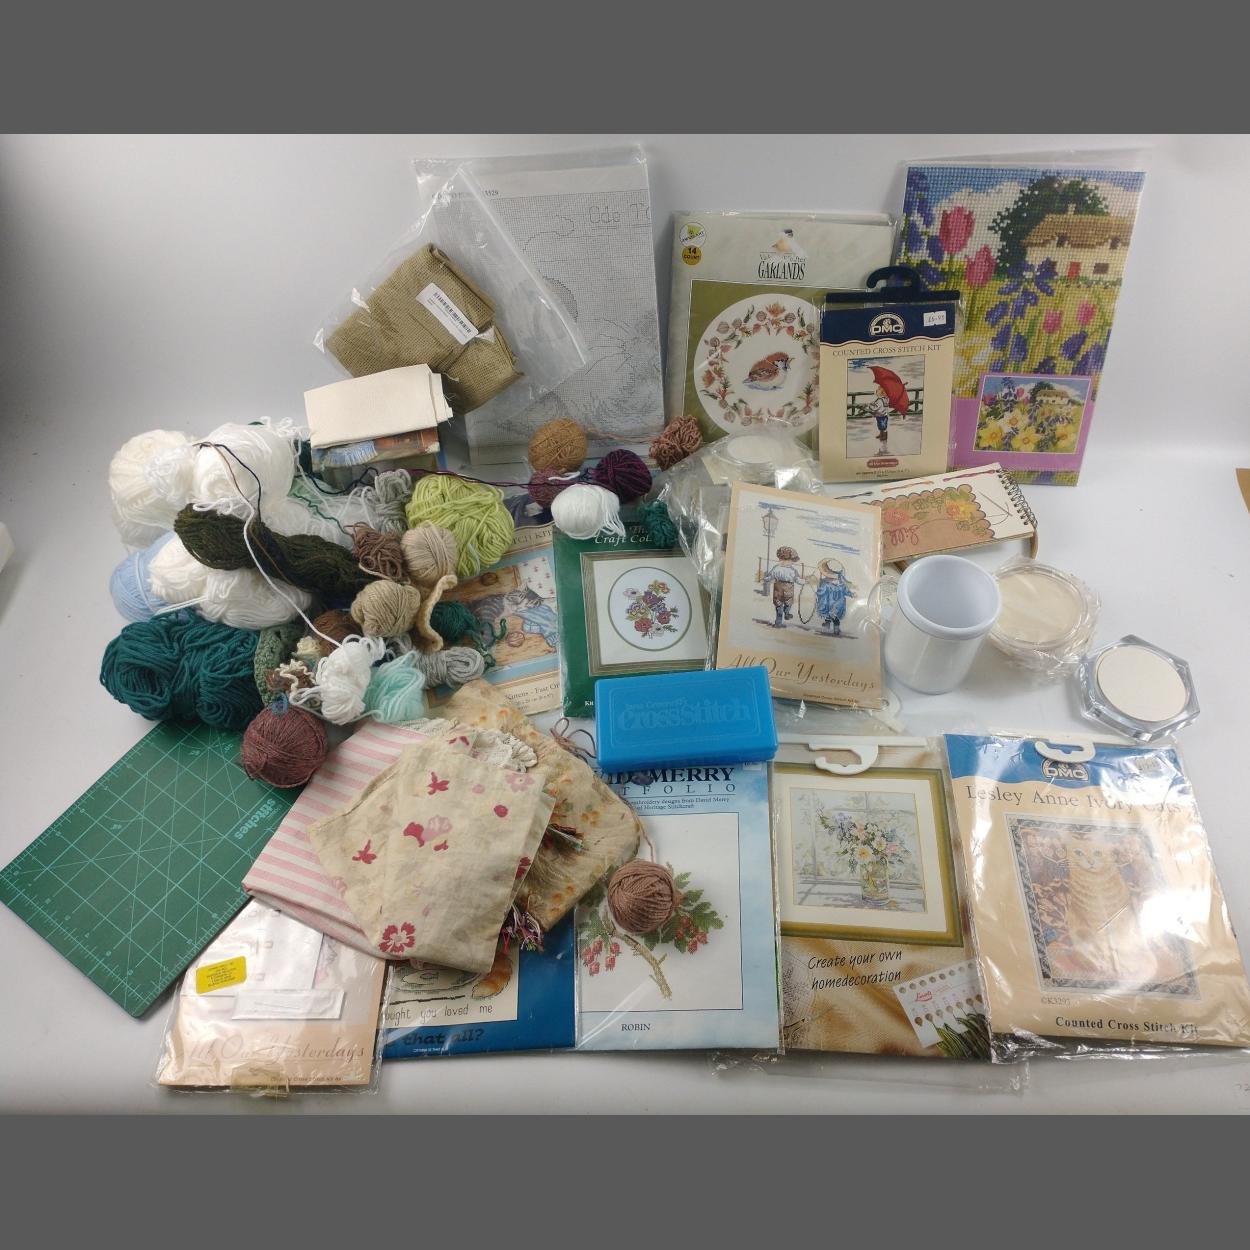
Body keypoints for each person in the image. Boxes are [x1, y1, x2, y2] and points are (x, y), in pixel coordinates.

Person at [762, 546, 802, 628]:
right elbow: (798, 580)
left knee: (779, 605)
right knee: (787, 604)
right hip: (788, 589)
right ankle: (786, 614)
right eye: (790, 561)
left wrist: (765, 579)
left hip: (778, 589)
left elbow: (770, 577)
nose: (790, 563)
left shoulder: (776, 568)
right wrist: (804, 582)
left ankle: (778, 622)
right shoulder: (793, 570)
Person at [815, 558, 853, 635]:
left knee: (829, 614)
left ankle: (830, 627)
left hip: (828, 602)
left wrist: (818, 591)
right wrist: (851, 594)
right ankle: (833, 628)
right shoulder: (841, 583)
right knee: (834, 616)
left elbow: (821, 591)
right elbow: (846, 590)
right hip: (838, 604)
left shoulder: (826, 583)